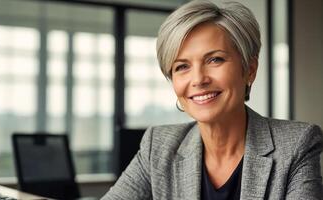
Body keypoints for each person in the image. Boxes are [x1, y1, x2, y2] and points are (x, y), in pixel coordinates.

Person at [102, 1, 323, 199]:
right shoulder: (158, 146)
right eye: (182, 67)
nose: (198, 79)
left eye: (215, 59)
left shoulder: (296, 144)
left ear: (250, 70)